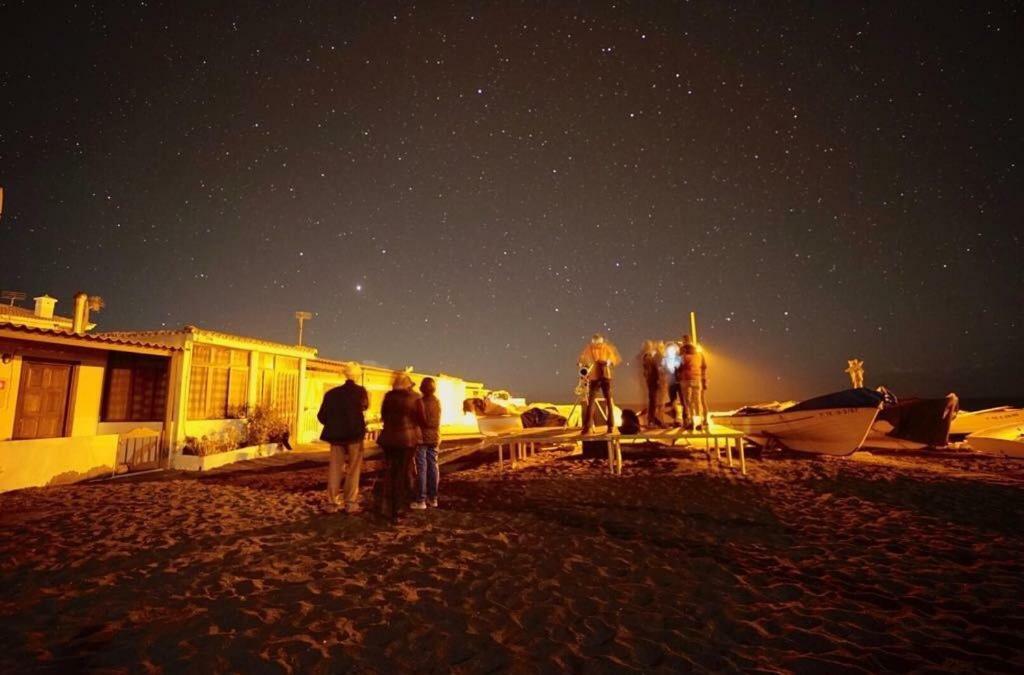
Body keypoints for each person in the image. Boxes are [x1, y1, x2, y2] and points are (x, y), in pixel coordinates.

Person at [317, 362, 369, 513]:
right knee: (353, 469)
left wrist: (334, 424)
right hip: (355, 436)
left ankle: (332, 503)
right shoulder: (361, 391)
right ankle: (350, 502)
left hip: (336, 436)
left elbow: (321, 416)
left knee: (334, 469)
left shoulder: (331, 393)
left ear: (344, 374)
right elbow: (365, 406)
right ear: (357, 375)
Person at [378, 372, 423, 523]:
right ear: (408, 385)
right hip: (407, 440)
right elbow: (422, 419)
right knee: (402, 473)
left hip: (388, 439)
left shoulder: (388, 397)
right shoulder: (415, 398)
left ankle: (385, 507)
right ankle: (398, 509)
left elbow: (383, 415)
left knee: (390, 471)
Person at [578, 333, 621, 435]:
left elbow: (581, 360)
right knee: (608, 401)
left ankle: (588, 427)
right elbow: (613, 360)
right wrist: (607, 363)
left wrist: (583, 366)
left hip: (595, 377)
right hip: (605, 376)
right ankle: (611, 426)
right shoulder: (606, 348)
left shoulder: (590, 348)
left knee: (592, 402)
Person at [412, 377, 441, 510]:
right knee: (433, 466)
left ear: (422, 389)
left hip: (422, 438)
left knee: (422, 468)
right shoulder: (437, 402)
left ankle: (421, 500)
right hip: (434, 437)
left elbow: (417, 420)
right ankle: (433, 498)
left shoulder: (419, 402)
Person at [679, 335, 708, 431]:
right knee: (697, 402)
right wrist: (704, 380)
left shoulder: (683, 356)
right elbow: (704, 367)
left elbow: (678, 367)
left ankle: (691, 421)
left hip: (686, 380)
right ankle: (700, 422)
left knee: (688, 402)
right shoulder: (699, 355)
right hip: (697, 379)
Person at [640, 340, 664, 428]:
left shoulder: (647, 358)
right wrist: (657, 379)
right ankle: (652, 421)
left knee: (653, 401)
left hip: (651, 382)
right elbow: (653, 371)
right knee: (653, 401)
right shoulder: (649, 358)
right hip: (653, 382)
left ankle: (653, 420)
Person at [661, 340, 682, 425]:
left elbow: (663, 370)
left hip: (675, 382)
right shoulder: (677, 358)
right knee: (675, 401)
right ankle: (679, 419)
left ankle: (679, 419)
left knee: (675, 401)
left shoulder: (667, 359)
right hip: (674, 382)